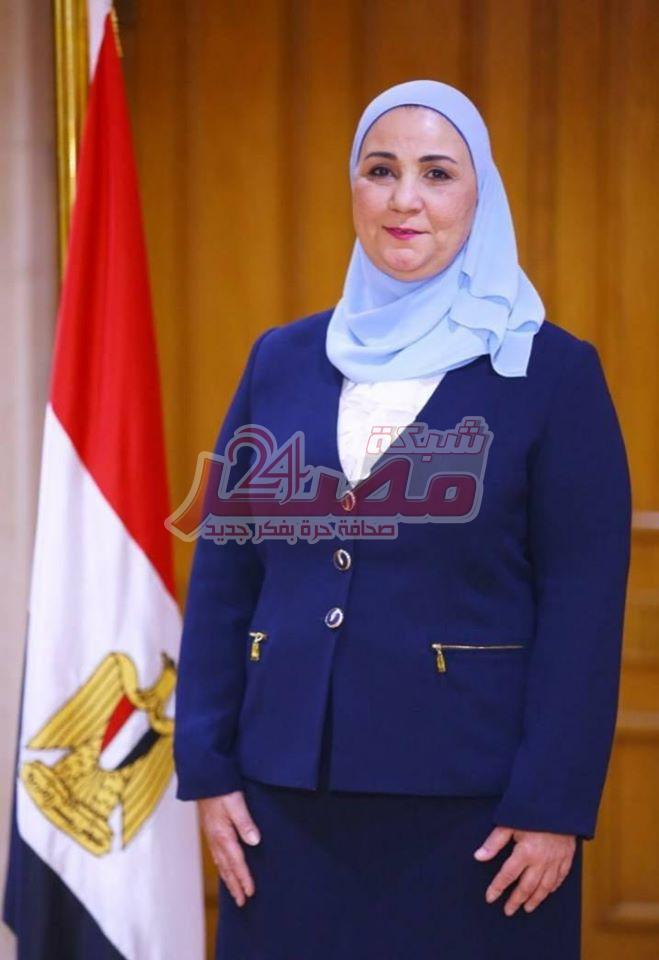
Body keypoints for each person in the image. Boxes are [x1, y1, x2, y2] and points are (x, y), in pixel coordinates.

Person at [173, 80, 632, 959]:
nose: (404, 199)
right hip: (280, 807)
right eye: (380, 171)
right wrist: (207, 765)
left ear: (479, 196)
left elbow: (582, 607)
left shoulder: (551, 373)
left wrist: (552, 805)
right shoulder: (280, 360)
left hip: (478, 821)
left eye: (437, 173)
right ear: (354, 188)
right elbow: (226, 575)